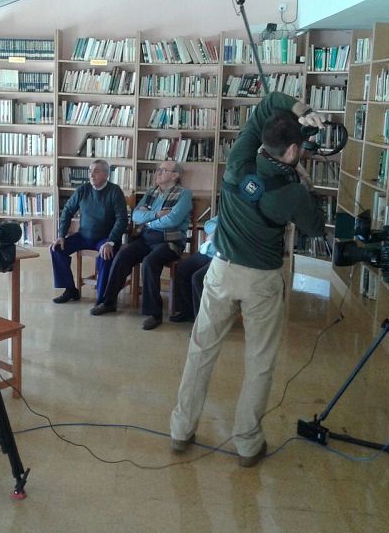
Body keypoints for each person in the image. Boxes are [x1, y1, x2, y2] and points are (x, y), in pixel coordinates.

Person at [170, 91, 326, 467]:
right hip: (261, 281)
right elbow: (316, 226)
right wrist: (303, 185)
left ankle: (180, 429)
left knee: (201, 350)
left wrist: (299, 109)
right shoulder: (290, 192)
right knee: (259, 361)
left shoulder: (239, 158)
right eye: (299, 149)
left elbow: (269, 102)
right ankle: (246, 442)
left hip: (221, 270)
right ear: (290, 152)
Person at [91, 161, 192, 330]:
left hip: (170, 241)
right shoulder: (152, 192)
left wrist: (150, 222)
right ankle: (108, 302)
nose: (157, 173)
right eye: (157, 169)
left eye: (163, 170)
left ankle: (154, 313)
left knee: (150, 262)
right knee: (122, 256)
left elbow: (173, 220)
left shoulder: (184, 194)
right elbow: (137, 216)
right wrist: (157, 214)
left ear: (175, 176)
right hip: (146, 238)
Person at [50, 159, 128, 304]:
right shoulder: (83, 190)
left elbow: (122, 219)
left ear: (106, 174)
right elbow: (67, 211)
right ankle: (70, 290)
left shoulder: (114, 191)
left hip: (105, 238)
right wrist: (61, 235)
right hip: (84, 235)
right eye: (90, 171)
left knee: (105, 254)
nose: (91, 174)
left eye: (96, 171)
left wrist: (111, 241)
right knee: (56, 249)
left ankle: (103, 298)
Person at [168, 216, 218, 323]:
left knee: (198, 278)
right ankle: (187, 311)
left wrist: (216, 234)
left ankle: (201, 320)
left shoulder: (246, 216)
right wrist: (218, 230)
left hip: (221, 257)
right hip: (206, 253)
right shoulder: (228, 211)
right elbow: (208, 224)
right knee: (182, 269)